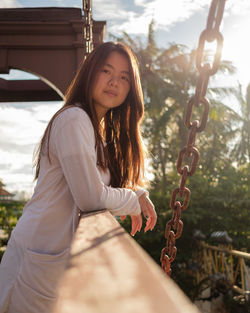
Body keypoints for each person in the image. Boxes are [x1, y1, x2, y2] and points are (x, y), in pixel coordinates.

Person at [0, 41, 157, 313]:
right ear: (90, 72)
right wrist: (132, 200)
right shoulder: (74, 119)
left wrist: (137, 192)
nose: (114, 82)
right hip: (34, 261)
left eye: (123, 77)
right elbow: (90, 197)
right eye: (106, 71)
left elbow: (100, 185)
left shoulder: (97, 132)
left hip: (52, 262)